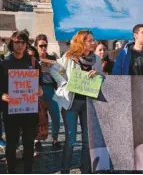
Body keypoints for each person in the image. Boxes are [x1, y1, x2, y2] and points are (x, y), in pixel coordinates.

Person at [50, 30, 103, 173]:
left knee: (87, 139)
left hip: (88, 103)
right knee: (71, 139)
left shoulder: (96, 59)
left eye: (94, 40)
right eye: (90, 40)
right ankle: (65, 169)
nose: (93, 42)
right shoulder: (69, 57)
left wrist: (98, 75)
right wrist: (63, 83)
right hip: (70, 103)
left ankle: (85, 169)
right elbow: (54, 69)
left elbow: (101, 78)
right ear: (82, 42)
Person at [0, 31, 43, 173]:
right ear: (12, 43)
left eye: (22, 42)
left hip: (29, 110)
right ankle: (11, 171)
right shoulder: (5, 63)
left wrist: (40, 90)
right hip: (10, 110)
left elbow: (39, 81)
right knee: (11, 144)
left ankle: (28, 171)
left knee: (28, 143)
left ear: (26, 44)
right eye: (17, 42)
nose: (20, 45)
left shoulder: (32, 61)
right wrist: (2, 95)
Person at [34, 34, 61, 155]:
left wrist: (45, 60)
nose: (44, 48)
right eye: (41, 46)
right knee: (38, 117)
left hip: (50, 90)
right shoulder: (32, 58)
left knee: (55, 116)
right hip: (37, 91)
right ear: (36, 46)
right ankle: (37, 140)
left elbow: (60, 65)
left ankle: (54, 139)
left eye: (45, 45)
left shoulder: (51, 57)